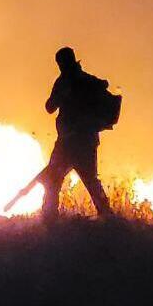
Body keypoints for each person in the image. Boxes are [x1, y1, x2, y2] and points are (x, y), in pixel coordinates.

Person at [41, 47, 114, 222]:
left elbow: (50, 107)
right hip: (79, 141)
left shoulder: (68, 82)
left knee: (56, 180)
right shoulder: (83, 81)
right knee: (86, 181)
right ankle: (109, 219)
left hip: (73, 143)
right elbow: (51, 106)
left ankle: (50, 221)